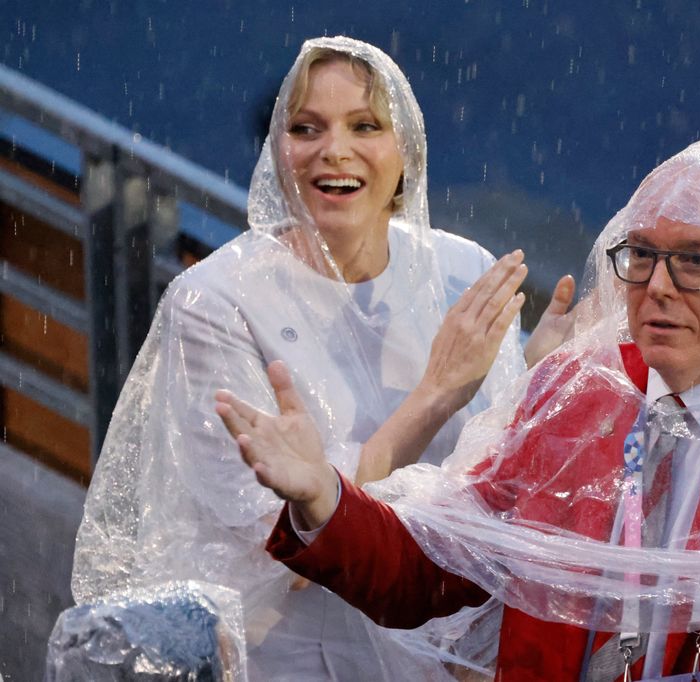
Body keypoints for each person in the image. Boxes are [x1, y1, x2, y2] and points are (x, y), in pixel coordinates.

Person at [217, 135, 700, 680]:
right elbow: (436, 567)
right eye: (641, 255)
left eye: (692, 260)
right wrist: (324, 495)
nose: (655, 286)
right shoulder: (575, 392)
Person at [72, 36, 574, 680]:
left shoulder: (461, 272)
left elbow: (486, 494)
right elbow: (284, 549)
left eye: (364, 126)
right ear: (277, 155)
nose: (334, 149)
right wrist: (434, 396)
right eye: (306, 128)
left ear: (406, 153)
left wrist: (538, 385)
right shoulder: (215, 303)